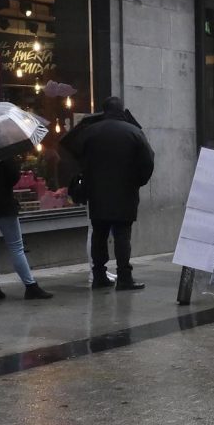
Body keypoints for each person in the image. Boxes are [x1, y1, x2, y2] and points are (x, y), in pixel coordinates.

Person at [81, 97, 154, 290]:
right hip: (125, 193)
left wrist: (88, 183)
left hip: (97, 193)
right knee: (122, 236)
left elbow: (80, 161)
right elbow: (148, 161)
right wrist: (137, 181)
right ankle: (124, 277)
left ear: (103, 110)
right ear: (122, 109)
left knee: (99, 235)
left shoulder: (90, 132)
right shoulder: (133, 132)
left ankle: (99, 275)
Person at [0, 159, 53, 301]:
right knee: (16, 246)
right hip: (3, 203)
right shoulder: (2, 153)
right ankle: (30, 286)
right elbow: (13, 176)